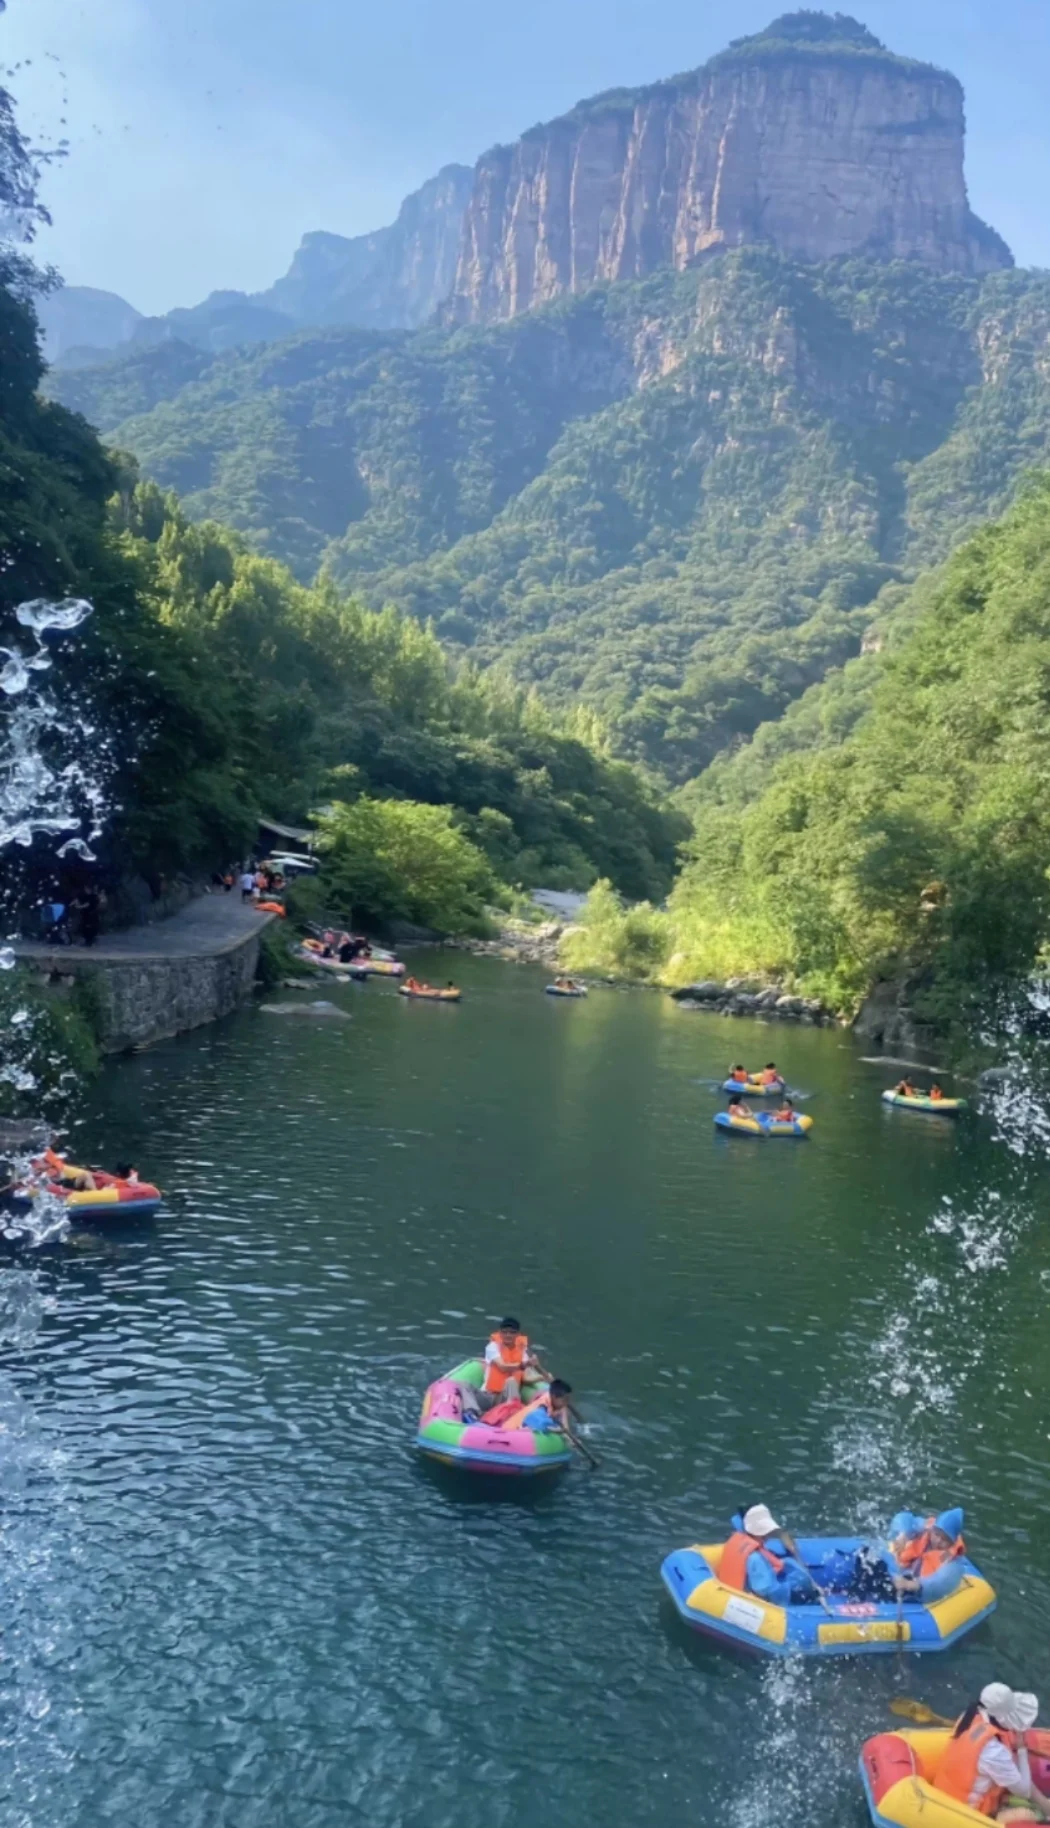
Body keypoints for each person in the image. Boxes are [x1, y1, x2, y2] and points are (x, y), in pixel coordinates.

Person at [935, 1685, 1050, 1822]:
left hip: (947, 1790)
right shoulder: (993, 1751)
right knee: (1028, 1815)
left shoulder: (971, 1716)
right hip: (966, 1813)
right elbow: (1024, 1791)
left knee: (1012, 1798)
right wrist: (1021, 1749)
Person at [718, 1505, 816, 1604]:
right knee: (802, 1585)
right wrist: (795, 1585)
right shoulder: (755, 1558)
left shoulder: (739, 1538)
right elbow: (767, 1593)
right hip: (750, 1600)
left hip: (735, 1589)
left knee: (788, 1564)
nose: (768, 1535)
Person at [890, 1507, 967, 1601]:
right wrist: (904, 1534)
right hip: (902, 1570)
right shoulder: (926, 1529)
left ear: (953, 1542)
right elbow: (903, 1517)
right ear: (933, 1529)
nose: (938, 1541)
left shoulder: (953, 1562)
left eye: (945, 1539)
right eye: (937, 1534)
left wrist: (910, 1585)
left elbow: (941, 1584)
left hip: (917, 1589)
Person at [478, 1318, 551, 1410]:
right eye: (505, 1332)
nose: (508, 1335)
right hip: (490, 1395)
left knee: (512, 1382)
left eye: (512, 1332)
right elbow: (503, 1367)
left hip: (508, 1396)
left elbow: (524, 1378)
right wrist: (524, 1365)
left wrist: (541, 1377)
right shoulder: (492, 1347)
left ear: (518, 1334)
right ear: (500, 1333)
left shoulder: (522, 1352)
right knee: (511, 1381)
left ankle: (512, 1413)